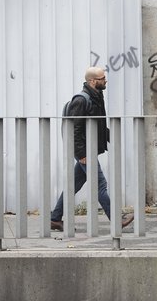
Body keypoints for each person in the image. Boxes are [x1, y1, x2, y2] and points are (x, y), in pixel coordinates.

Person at [50, 67, 134, 231]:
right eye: (102, 78)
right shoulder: (81, 101)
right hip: (84, 152)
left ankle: (55, 218)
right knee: (100, 184)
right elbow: (75, 130)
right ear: (92, 81)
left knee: (73, 185)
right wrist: (81, 155)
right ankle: (117, 219)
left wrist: (109, 137)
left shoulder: (97, 96)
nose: (105, 80)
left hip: (90, 148)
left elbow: (98, 123)